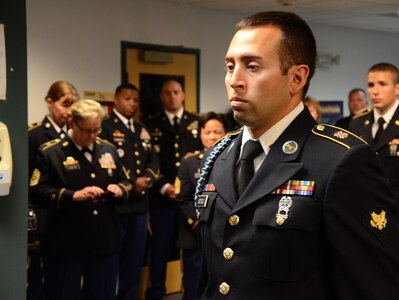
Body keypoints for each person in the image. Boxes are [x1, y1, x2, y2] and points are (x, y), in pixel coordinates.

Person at [194, 11, 399, 299]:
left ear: (297, 78)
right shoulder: (220, 156)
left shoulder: (340, 161)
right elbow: (211, 276)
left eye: (252, 67)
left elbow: (372, 287)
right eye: (230, 66)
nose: (235, 80)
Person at [29, 99, 132, 300]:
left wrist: (119, 189)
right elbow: (36, 191)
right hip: (67, 242)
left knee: (103, 294)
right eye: (86, 131)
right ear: (72, 124)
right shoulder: (51, 152)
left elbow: (125, 181)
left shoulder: (108, 149)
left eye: (96, 130)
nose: (92, 136)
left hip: (104, 240)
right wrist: (73, 195)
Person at [100, 83, 160, 300]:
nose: (132, 103)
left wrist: (148, 179)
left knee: (134, 261)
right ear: (116, 100)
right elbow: (109, 162)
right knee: (110, 262)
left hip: (140, 206)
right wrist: (132, 181)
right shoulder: (105, 127)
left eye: (136, 100)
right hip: (117, 205)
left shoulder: (140, 129)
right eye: (127, 98)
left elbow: (153, 158)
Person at [145, 78, 202, 300]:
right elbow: (149, 162)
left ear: (183, 95)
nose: (172, 96)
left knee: (193, 253)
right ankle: (156, 293)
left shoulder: (196, 123)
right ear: (161, 96)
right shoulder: (151, 126)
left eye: (176, 92)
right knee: (159, 250)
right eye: (167, 93)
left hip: (189, 201)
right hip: (163, 200)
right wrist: (163, 186)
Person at [27, 80, 79, 300]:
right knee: (41, 276)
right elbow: (29, 181)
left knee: (68, 277)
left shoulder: (76, 135)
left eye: (72, 106)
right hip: (44, 216)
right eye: (64, 105)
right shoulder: (35, 135)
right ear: (50, 103)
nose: (69, 111)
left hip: (70, 215)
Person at [175, 112, 228, 300]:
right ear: (200, 134)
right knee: (193, 284)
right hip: (194, 234)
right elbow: (182, 198)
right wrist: (199, 223)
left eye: (217, 132)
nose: (212, 137)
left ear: (226, 133)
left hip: (223, 236)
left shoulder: (233, 161)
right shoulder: (189, 162)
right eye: (207, 132)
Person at [350, 63, 399, 201]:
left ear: (397, 89)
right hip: (365, 204)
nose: (375, 91)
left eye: (382, 84)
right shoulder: (357, 122)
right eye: (371, 85)